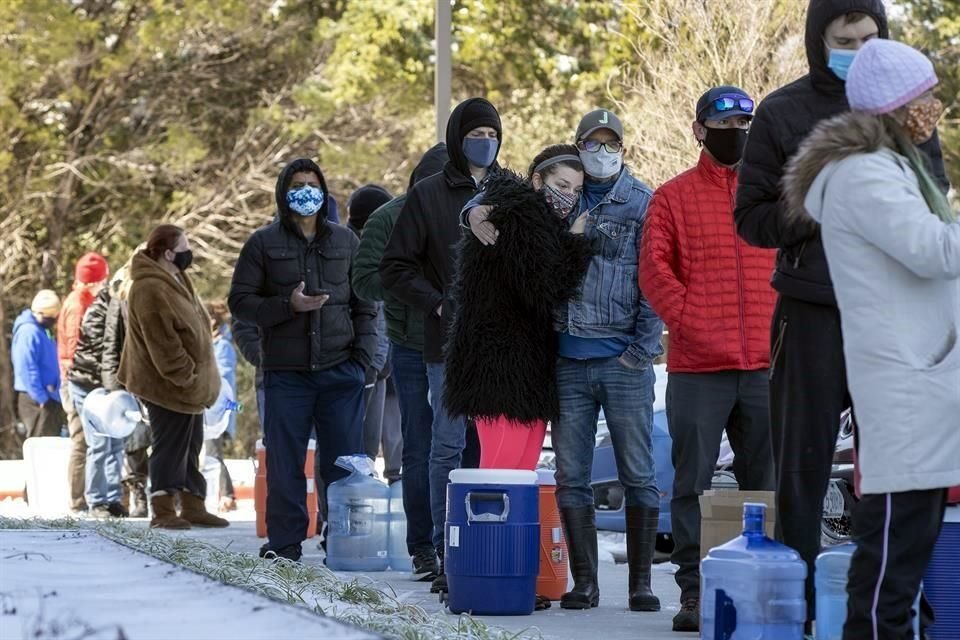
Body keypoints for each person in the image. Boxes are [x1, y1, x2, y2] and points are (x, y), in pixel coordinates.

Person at [733, 0, 950, 624]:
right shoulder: (781, 111)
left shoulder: (907, 108)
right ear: (817, 39)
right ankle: (795, 608)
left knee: (898, 467)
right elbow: (751, 220)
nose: (857, 47)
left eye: (869, 36)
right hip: (811, 313)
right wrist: (826, 200)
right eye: (843, 38)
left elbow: (929, 207)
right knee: (802, 467)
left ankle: (897, 607)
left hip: (893, 319)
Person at [781, 39, 959, 640]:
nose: (933, 107)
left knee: (907, 548)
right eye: (924, 98)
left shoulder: (894, 167)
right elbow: (934, 251)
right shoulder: (864, 175)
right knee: (891, 553)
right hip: (906, 384)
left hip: (923, 379)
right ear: (894, 108)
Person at [464, 109, 664, 613]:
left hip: (621, 359)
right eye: (591, 145)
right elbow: (502, 198)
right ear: (576, 149)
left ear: (622, 147)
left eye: (610, 144)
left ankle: (640, 584)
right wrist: (473, 208)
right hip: (565, 362)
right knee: (571, 476)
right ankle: (585, 584)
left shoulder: (641, 202)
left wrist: (640, 351)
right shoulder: (552, 202)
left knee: (638, 472)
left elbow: (654, 278)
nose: (601, 153)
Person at [639, 86, 777, 632]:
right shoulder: (672, 197)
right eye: (724, 123)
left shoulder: (770, 197)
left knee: (761, 482)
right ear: (699, 129)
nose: (736, 131)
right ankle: (695, 593)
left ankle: (761, 586)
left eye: (745, 122)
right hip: (699, 367)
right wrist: (695, 321)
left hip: (766, 364)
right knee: (693, 482)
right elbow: (654, 272)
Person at [380, 97, 503, 593]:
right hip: (446, 344)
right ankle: (441, 547)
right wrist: (436, 303)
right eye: (476, 134)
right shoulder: (428, 194)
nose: (486, 142)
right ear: (457, 138)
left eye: (493, 134)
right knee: (446, 447)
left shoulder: (508, 189)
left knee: (494, 449)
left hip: (502, 344)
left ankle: (488, 542)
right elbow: (394, 267)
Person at [229, 158, 376, 562]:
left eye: (313, 183)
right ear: (283, 191)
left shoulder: (347, 242)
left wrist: (362, 361)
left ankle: (344, 543)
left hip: (339, 372)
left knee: (343, 466)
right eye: (298, 184)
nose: (306, 191)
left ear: (324, 190)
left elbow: (366, 304)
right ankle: (285, 544)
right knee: (285, 464)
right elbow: (239, 302)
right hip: (286, 374)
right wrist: (286, 306)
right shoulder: (262, 243)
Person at [445, 144, 593, 471]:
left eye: (577, 189)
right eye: (563, 186)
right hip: (502, 368)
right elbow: (545, 288)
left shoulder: (538, 220)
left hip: (525, 369)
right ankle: (485, 526)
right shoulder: (518, 218)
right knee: (502, 473)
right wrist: (577, 244)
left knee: (520, 473)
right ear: (539, 181)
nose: (569, 196)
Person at [352, 143, 448, 582]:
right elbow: (365, 280)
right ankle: (423, 547)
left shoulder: (474, 208)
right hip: (410, 343)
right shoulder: (388, 217)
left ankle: (456, 540)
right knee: (419, 444)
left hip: (461, 344)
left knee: (464, 446)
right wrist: (412, 287)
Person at [119, 224, 228, 530]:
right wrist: (187, 376)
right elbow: (163, 342)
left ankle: (193, 504)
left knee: (191, 444)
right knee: (170, 446)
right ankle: (163, 509)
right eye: (184, 248)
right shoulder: (148, 287)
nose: (188, 254)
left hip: (190, 387)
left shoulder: (176, 277)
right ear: (168, 253)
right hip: (166, 385)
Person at [346, 184, 401, 482]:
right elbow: (373, 315)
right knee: (357, 449)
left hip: (380, 366)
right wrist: (375, 362)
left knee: (367, 448)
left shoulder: (379, 250)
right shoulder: (358, 253)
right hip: (365, 364)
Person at [68, 283, 127, 518]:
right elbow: (103, 354)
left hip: (109, 385)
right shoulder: (100, 311)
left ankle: (113, 497)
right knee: (99, 443)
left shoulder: (119, 310)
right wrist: (112, 386)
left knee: (116, 442)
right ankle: (96, 499)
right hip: (88, 384)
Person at [58, 252, 109, 513]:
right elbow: (77, 348)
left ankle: (82, 497)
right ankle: (78, 499)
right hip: (76, 381)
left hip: (75, 378)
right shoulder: (79, 305)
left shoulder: (82, 300)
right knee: (82, 439)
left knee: (85, 438)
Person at [101, 257, 150, 518]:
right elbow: (111, 344)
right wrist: (112, 387)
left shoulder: (163, 290)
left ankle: (171, 494)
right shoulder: (121, 296)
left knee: (166, 439)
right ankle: (137, 488)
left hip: (161, 377)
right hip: (131, 378)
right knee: (136, 437)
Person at [12, 290, 63, 439]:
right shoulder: (28, 332)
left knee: (51, 442)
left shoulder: (44, 330)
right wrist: (41, 397)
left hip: (51, 396)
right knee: (41, 445)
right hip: (36, 399)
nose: (53, 320)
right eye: (51, 317)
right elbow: (26, 368)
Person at [205, 300, 238, 513]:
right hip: (208, 407)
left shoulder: (222, 346)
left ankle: (227, 495)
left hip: (216, 408)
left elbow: (224, 377)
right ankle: (227, 494)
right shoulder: (212, 343)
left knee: (213, 452)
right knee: (210, 452)